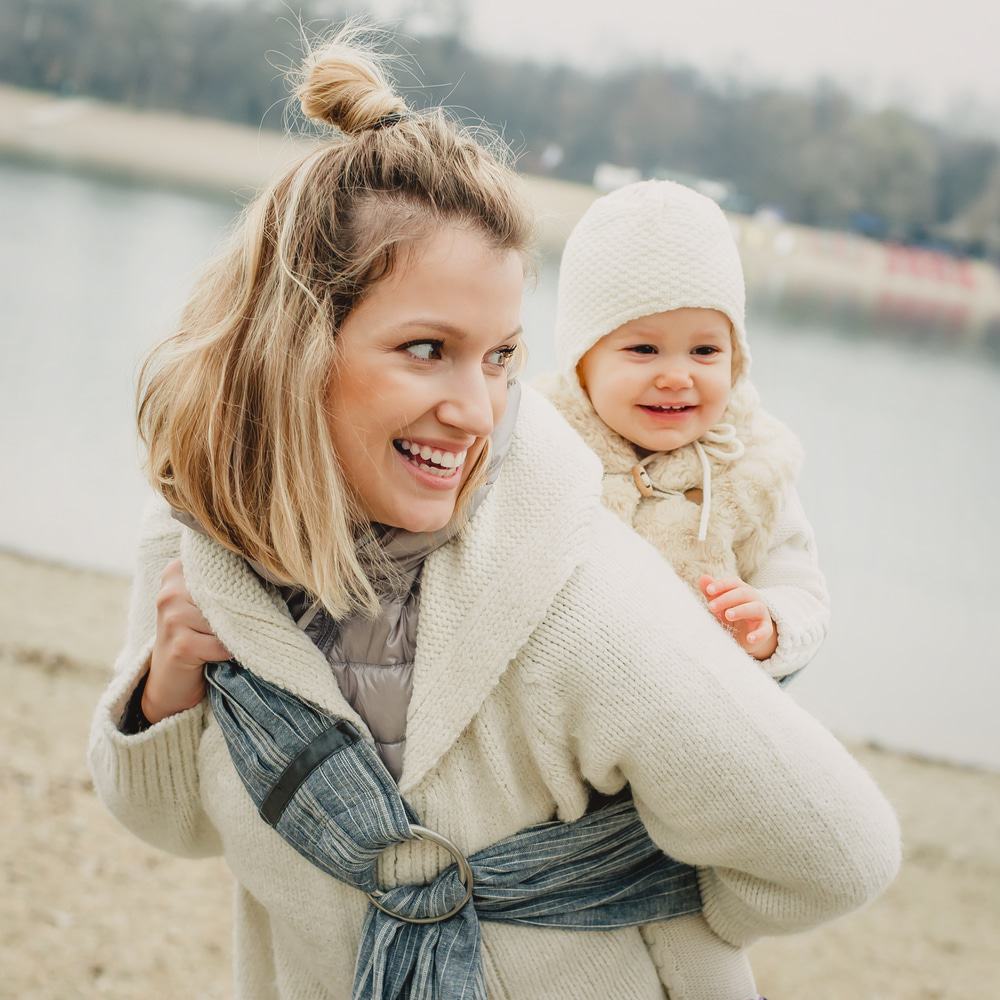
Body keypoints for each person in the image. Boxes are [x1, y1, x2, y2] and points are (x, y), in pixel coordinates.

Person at [88, 29, 900, 1000]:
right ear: (295, 334)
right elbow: (169, 821)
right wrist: (164, 687)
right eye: (427, 348)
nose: (475, 409)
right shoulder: (195, 541)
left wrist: (611, 894)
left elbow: (837, 852)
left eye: (501, 357)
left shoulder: (573, 592)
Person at [536, 179, 832, 995]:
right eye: (642, 350)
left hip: (693, 739)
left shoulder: (756, 465)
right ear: (580, 357)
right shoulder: (539, 449)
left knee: (703, 948)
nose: (678, 378)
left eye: (705, 352)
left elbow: (804, 589)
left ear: (737, 357)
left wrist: (768, 625)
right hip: (559, 742)